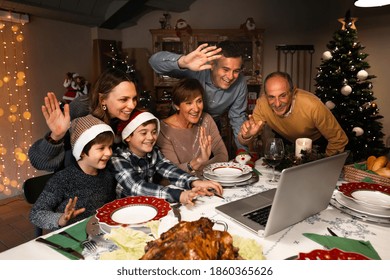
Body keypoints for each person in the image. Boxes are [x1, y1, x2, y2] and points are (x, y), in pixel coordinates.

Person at [28, 67, 138, 172]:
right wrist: (56, 136)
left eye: (134, 99)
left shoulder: (129, 118)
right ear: (103, 99)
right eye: (124, 100)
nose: (132, 105)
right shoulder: (81, 111)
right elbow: (39, 162)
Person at [149, 40, 248, 151]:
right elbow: (153, 62)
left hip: (211, 127)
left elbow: (237, 118)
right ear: (212, 65)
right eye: (225, 69)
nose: (230, 77)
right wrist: (183, 61)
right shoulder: (196, 68)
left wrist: (243, 153)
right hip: (180, 122)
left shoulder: (240, 83)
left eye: (236, 71)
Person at [109, 110, 223, 205]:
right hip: (127, 211)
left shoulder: (153, 152)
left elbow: (170, 170)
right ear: (128, 137)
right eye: (143, 133)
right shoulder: (118, 159)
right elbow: (137, 187)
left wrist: (195, 182)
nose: (151, 137)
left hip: (150, 206)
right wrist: (179, 195)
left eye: (154, 132)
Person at [30, 115, 117, 230]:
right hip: (70, 237)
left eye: (110, 147)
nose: (109, 153)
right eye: (101, 148)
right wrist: (61, 219)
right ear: (81, 152)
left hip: (98, 233)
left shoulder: (107, 175)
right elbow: (36, 214)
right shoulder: (62, 179)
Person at [238, 71, 348, 156]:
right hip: (286, 142)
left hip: (317, 144)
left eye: (283, 95)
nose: (277, 104)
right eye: (271, 97)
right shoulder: (262, 104)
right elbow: (245, 138)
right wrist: (246, 135)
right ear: (265, 95)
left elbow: (338, 139)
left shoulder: (312, 105)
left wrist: (324, 164)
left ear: (293, 92)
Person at [156, 78, 228, 174]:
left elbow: (222, 155)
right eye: (189, 103)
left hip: (205, 180)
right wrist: (198, 162)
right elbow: (171, 172)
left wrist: (201, 170)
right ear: (177, 106)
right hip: (177, 186)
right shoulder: (163, 130)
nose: (196, 108)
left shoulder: (206, 120)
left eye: (199, 101)